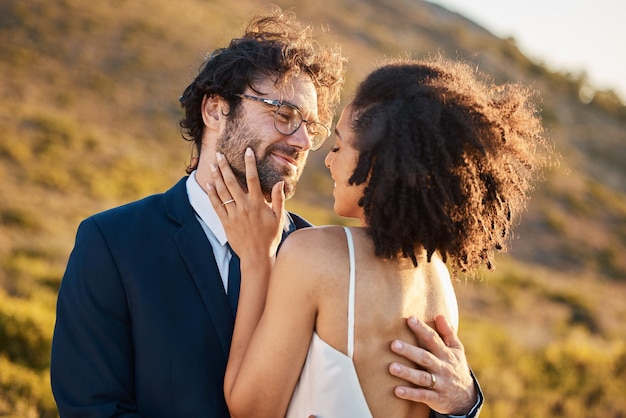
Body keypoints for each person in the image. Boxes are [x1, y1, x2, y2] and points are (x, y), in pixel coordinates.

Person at [50, 8, 482, 418]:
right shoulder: (113, 243)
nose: (300, 140)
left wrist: (464, 400)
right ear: (216, 110)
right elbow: (92, 408)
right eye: (285, 115)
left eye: (312, 128)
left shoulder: (320, 256)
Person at [211, 55, 550, 417]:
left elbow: (250, 409)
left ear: (378, 164)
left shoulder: (315, 255)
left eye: (339, 146)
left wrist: (258, 261)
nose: (328, 160)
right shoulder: (438, 280)